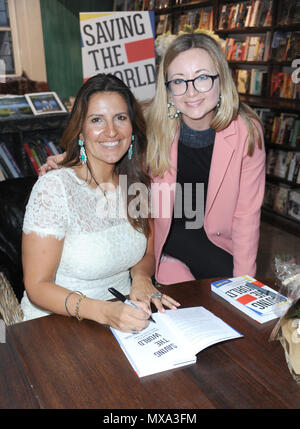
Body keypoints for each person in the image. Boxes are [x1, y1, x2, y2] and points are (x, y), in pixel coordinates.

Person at [41, 33, 266, 286]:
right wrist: (68, 161)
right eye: (179, 81)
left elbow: (247, 215)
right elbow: (108, 142)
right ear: (167, 87)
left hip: (215, 244)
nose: (191, 92)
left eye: (202, 78)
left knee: (232, 298)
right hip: (163, 240)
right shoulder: (149, 120)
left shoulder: (247, 131)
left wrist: (245, 283)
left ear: (221, 79)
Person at [21, 73, 179, 330]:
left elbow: (147, 253)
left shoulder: (136, 184)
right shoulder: (55, 188)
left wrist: (140, 277)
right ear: (80, 131)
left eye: (120, 118)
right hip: (55, 325)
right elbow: (38, 286)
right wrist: (104, 312)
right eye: (97, 120)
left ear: (132, 128)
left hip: (125, 317)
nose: (111, 131)